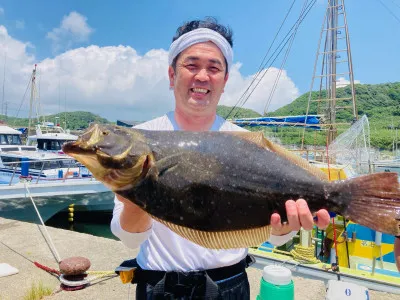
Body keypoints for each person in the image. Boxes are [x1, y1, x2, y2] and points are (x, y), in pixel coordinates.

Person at [111, 17, 330, 299]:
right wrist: (136, 200)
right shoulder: (139, 139)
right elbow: (130, 238)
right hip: (158, 286)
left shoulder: (243, 142)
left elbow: (276, 236)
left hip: (230, 286)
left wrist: (287, 226)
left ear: (224, 81)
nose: (202, 76)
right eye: (191, 65)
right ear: (171, 75)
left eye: (214, 68)